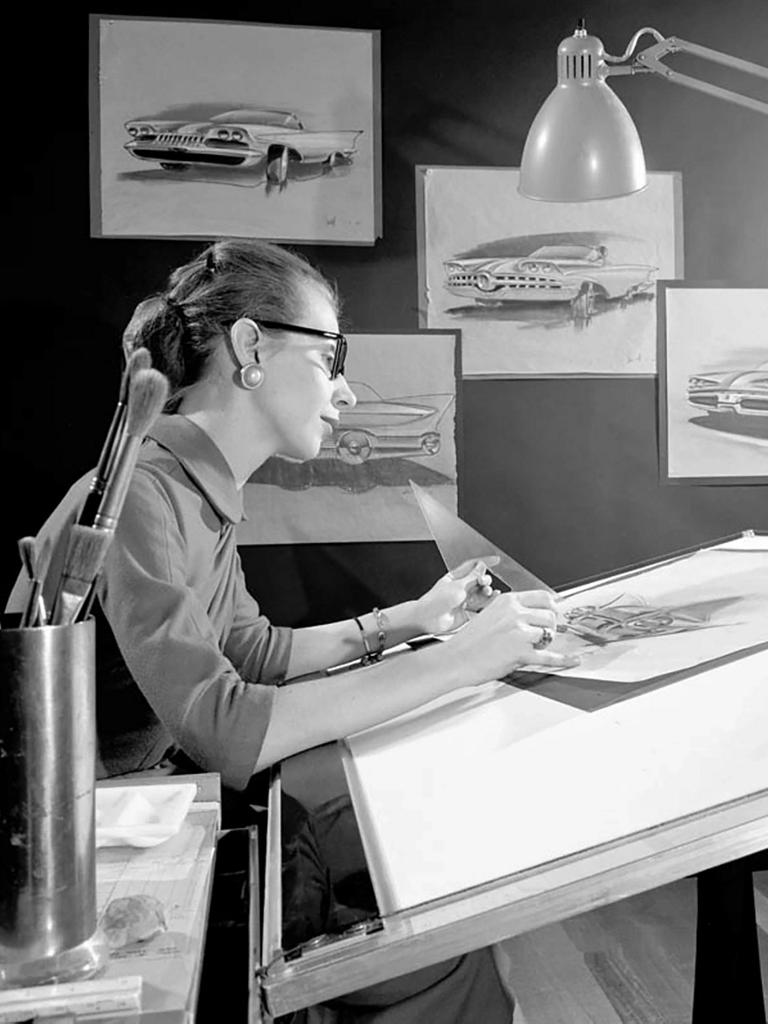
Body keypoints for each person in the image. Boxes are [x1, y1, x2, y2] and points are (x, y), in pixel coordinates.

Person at [8, 239, 578, 1023]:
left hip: (147, 819)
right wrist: (461, 664)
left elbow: (254, 652)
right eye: (329, 357)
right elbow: (220, 725)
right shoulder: (140, 492)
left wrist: (410, 621)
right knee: (424, 958)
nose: (342, 392)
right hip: (69, 868)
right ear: (250, 347)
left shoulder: (194, 486)